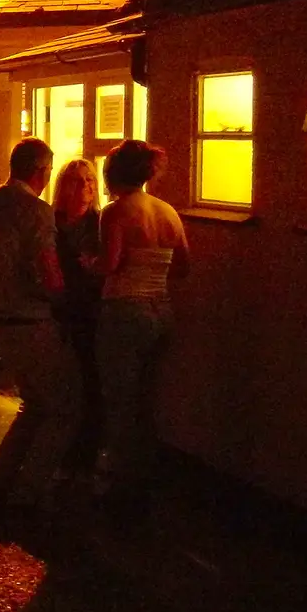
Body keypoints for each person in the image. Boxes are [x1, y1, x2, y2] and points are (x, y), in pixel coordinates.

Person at [0, 137, 78, 530]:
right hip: (31, 320)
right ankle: (28, 494)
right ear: (42, 171)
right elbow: (47, 268)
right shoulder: (36, 211)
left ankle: (1, 483)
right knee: (63, 408)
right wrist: (64, 301)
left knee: (35, 405)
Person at [96, 140, 190, 516]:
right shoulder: (167, 212)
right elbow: (183, 266)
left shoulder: (116, 212)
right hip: (161, 309)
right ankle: (145, 477)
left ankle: (121, 484)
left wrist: (91, 262)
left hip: (124, 309)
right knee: (148, 398)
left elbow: (111, 264)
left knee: (120, 398)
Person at [53, 158, 105, 473]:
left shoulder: (98, 224)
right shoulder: (51, 221)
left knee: (88, 379)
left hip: (88, 310)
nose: (85, 188)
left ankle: (84, 451)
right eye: (77, 181)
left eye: (90, 181)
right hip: (57, 308)